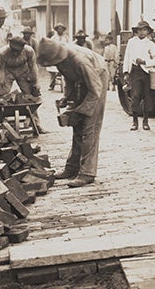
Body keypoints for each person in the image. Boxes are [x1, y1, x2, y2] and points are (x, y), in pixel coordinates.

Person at [36, 37, 108, 187]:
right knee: (77, 125)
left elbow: (95, 89)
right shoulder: (60, 60)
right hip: (82, 81)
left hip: (98, 78)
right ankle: (72, 168)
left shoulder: (79, 60)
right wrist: (66, 98)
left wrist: (81, 110)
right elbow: (69, 79)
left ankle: (87, 173)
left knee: (89, 127)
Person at [122, 20, 155, 131]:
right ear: (136, 31)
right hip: (135, 72)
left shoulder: (150, 44)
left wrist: (144, 62)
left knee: (147, 96)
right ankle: (135, 122)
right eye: (140, 30)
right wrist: (126, 72)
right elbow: (127, 57)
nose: (142, 32)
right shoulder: (131, 42)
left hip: (146, 72)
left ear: (148, 31)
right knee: (135, 96)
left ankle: (146, 121)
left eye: (144, 30)